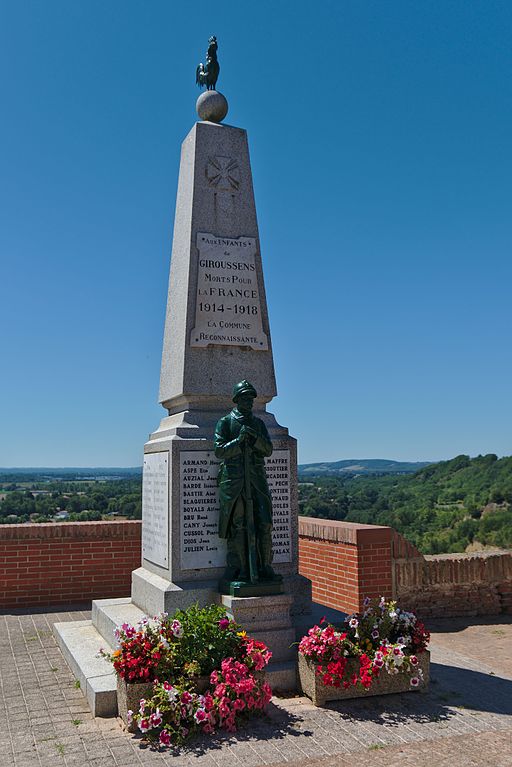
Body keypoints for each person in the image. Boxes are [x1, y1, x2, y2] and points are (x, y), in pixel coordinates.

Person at [214, 380, 279, 583]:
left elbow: (267, 450)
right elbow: (219, 450)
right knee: (239, 525)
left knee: (264, 523)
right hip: (234, 481)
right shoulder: (226, 422)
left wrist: (255, 437)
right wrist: (238, 440)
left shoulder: (258, 423)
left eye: (251, 398)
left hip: (256, 480)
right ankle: (241, 568)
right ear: (236, 400)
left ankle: (265, 566)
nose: (249, 402)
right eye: (244, 398)